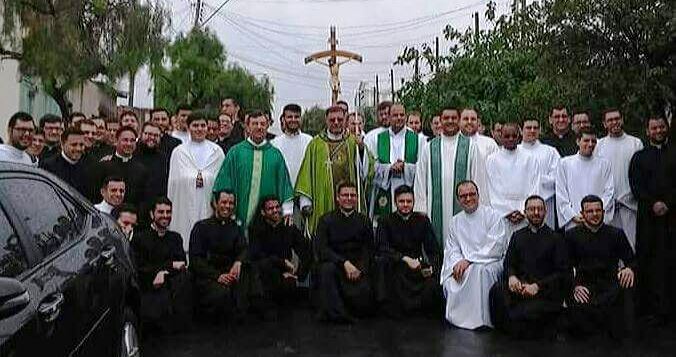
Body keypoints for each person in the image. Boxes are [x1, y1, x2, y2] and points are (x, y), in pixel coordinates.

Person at [489, 195, 568, 338]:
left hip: (544, 291)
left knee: (529, 312)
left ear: (545, 212)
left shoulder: (556, 238)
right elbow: (508, 263)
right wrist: (512, 277)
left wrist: (537, 286)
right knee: (497, 291)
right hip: (520, 288)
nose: (536, 213)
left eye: (539, 209)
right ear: (525, 212)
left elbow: (562, 273)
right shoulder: (517, 236)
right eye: (532, 209)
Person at [414, 107, 489, 246]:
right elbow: (420, 180)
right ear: (440, 121)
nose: (450, 121)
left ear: (459, 120)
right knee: (436, 248)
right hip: (433, 210)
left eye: (453, 118)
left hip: (465, 209)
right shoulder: (429, 148)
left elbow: (478, 178)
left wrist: (481, 208)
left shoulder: (470, 146)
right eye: (446, 118)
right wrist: (420, 208)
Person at [566, 195, 636, 339]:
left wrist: (629, 268)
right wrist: (574, 286)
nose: (595, 214)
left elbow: (632, 260)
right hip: (584, 286)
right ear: (582, 214)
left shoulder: (616, 234)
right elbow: (563, 267)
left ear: (604, 212)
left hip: (610, 285)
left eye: (598, 210)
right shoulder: (571, 236)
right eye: (590, 211)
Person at [441, 180, 508, 329]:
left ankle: (484, 320)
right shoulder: (455, 222)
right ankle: (459, 318)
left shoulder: (493, 216)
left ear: (478, 195)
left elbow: (496, 246)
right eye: (463, 196)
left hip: (490, 261)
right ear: (458, 200)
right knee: (454, 277)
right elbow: (452, 249)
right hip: (464, 263)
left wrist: (469, 260)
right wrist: (458, 262)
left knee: (481, 271)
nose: (468, 199)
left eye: (472, 194)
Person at [213, 111, 294, 228]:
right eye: (255, 124)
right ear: (247, 127)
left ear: (267, 126)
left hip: (267, 220)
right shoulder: (235, 152)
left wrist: (287, 210)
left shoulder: (275, 155)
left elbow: (284, 183)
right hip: (238, 216)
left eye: (262, 124)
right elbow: (224, 181)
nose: (259, 127)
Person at [296, 106, 368, 235]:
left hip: (349, 198)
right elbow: (306, 173)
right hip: (323, 199)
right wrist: (305, 202)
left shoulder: (353, 142)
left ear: (345, 120)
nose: (336, 122)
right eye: (332, 119)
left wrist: (361, 149)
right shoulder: (315, 144)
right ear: (326, 120)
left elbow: (366, 170)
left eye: (340, 119)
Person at [629, 116, 674, 324]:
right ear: (647, 131)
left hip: (672, 218)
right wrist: (653, 203)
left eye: (661, 127)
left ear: (667, 128)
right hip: (648, 218)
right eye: (654, 127)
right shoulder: (639, 157)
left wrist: (668, 203)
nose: (658, 130)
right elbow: (636, 185)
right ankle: (650, 309)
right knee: (650, 260)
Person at [375, 185, 442, 317]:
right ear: (395, 202)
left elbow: (433, 249)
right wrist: (404, 259)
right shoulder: (385, 221)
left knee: (432, 283)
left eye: (409, 201)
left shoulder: (422, 220)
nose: (405, 205)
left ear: (413, 202)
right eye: (401, 201)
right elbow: (382, 247)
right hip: (395, 264)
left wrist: (433, 267)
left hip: (417, 265)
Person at [189, 190, 256, 321]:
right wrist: (217, 276)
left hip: (229, 275)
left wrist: (238, 262)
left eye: (231, 203)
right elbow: (195, 260)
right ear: (215, 203)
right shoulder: (201, 227)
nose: (227, 206)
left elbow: (244, 249)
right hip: (208, 277)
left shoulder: (235, 228)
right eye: (224, 202)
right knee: (222, 295)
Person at [316, 182, 375, 323]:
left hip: (357, 267)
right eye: (345, 195)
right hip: (336, 265)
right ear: (337, 198)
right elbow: (322, 249)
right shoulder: (325, 220)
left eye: (353, 195)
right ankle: (337, 315)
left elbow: (369, 248)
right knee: (326, 269)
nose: (349, 198)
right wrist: (344, 263)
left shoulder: (364, 220)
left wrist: (360, 268)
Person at [131, 197, 192, 332]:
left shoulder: (176, 238)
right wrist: (166, 267)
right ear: (152, 214)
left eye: (168, 212)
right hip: (150, 288)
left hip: (173, 289)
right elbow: (139, 267)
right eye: (161, 212)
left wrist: (163, 271)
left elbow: (182, 264)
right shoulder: (139, 238)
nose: (165, 216)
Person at [168, 111, 226, 249]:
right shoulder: (179, 152)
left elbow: (221, 181)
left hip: (207, 203)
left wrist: (204, 178)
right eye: (195, 125)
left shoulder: (217, 152)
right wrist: (194, 178)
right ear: (188, 127)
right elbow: (174, 183)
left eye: (202, 125)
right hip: (184, 205)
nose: (199, 129)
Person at [248, 196, 311, 316]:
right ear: (263, 212)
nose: (275, 210)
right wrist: (281, 262)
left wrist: (298, 275)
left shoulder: (289, 227)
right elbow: (256, 255)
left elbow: (306, 251)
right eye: (270, 208)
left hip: (285, 275)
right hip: (263, 276)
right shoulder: (255, 229)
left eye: (277, 207)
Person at [595, 109, 643, 249]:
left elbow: (639, 175)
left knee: (631, 245)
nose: (614, 122)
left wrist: (627, 197)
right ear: (604, 124)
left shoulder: (635, 143)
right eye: (610, 120)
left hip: (629, 205)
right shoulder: (599, 145)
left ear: (622, 120)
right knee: (609, 247)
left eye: (617, 118)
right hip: (607, 207)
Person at [486, 122, 540, 233]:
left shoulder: (530, 158)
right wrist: (507, 212)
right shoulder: (492, 160)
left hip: (525, 213)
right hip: (502, 215)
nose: (511, 139)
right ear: (501, 136)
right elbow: (492, 190)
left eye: (514, 136)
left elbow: (535, 186)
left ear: (519, 136)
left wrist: (523, 210)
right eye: (507, 136)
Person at [556, 128, 614, 230]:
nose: (591, 144)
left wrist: (596, 213)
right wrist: (572, 215)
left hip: (598, 221)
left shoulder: (604, 164)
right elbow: (561, 194)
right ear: (578, 141)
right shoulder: (565, 163)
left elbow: (609, 192)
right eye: (586, 140)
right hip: (576, 221)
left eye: (593, 141)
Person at [370, 103, 419, 221]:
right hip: (386, 187)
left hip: (408, 187)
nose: (399, 118)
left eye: (402, 115)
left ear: (406, 117)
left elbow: (422, 167)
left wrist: (405, 167)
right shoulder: (378, 138)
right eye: (395, 115)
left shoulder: (417, 138)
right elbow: (371, 165)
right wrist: (389, 168)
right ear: (389, 117)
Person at [519, 119, 561, 229]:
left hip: (545, 204)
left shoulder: (550, 152)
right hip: (519, 207)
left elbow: (558, 178)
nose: (532, 131)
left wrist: (537, 179)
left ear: (540, 130)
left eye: (535, 128)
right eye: (528, 128)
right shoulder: (515, 152)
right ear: (521, 130)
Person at [94, 126, 149, 208]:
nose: (129, 144)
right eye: (125, 140)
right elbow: (96, 195)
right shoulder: (103, 166)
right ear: (116, 141)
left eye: (132, 140)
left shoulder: (141, 170)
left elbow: (142, 200)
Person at [271, 104, 313, 186]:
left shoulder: (309, 141)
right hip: (282, 193)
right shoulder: (275, 143)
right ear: (283, 119)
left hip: (304, 193)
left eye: (296, 117)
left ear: (301, 119)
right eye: (290, 117)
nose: (293, 120)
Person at [135, 122, 170, 222]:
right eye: (148, 134)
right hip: (133, 209)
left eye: (156, 135)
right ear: (141, 134)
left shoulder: (163, 158)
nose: (152, 138)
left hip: (155, 212)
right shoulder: (133, 153)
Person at [39, 127, 89, 196]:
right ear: (62, 144)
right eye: (74, 145)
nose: (78, 148)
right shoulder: (48, 166)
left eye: (81, 145)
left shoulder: (86, 166)